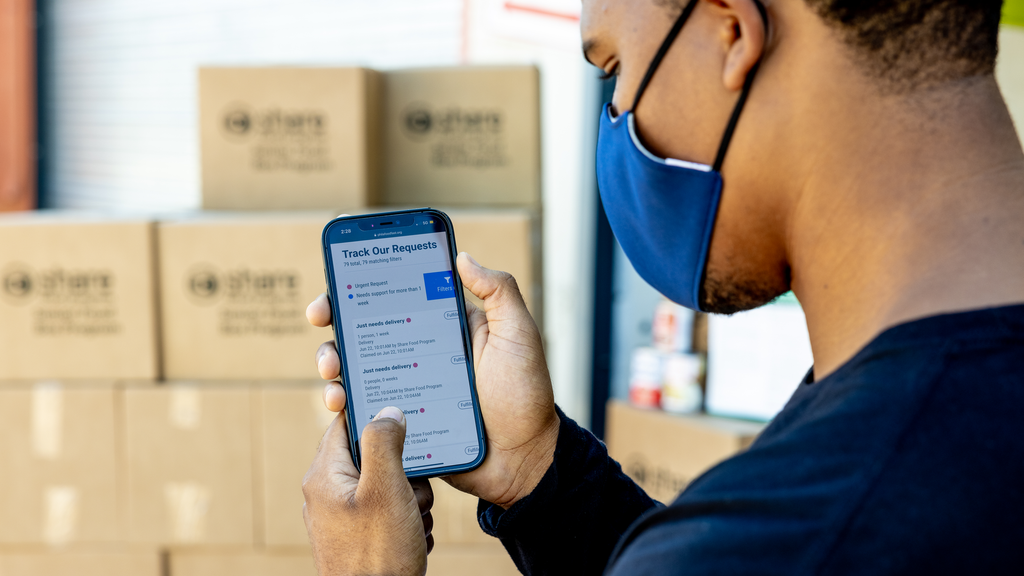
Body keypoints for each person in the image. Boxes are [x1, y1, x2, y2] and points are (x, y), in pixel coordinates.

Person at [300, 0, 1024, 573]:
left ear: (734, 31)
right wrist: (534, 468)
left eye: (615, 67)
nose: (618, 119)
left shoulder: (810, 526)